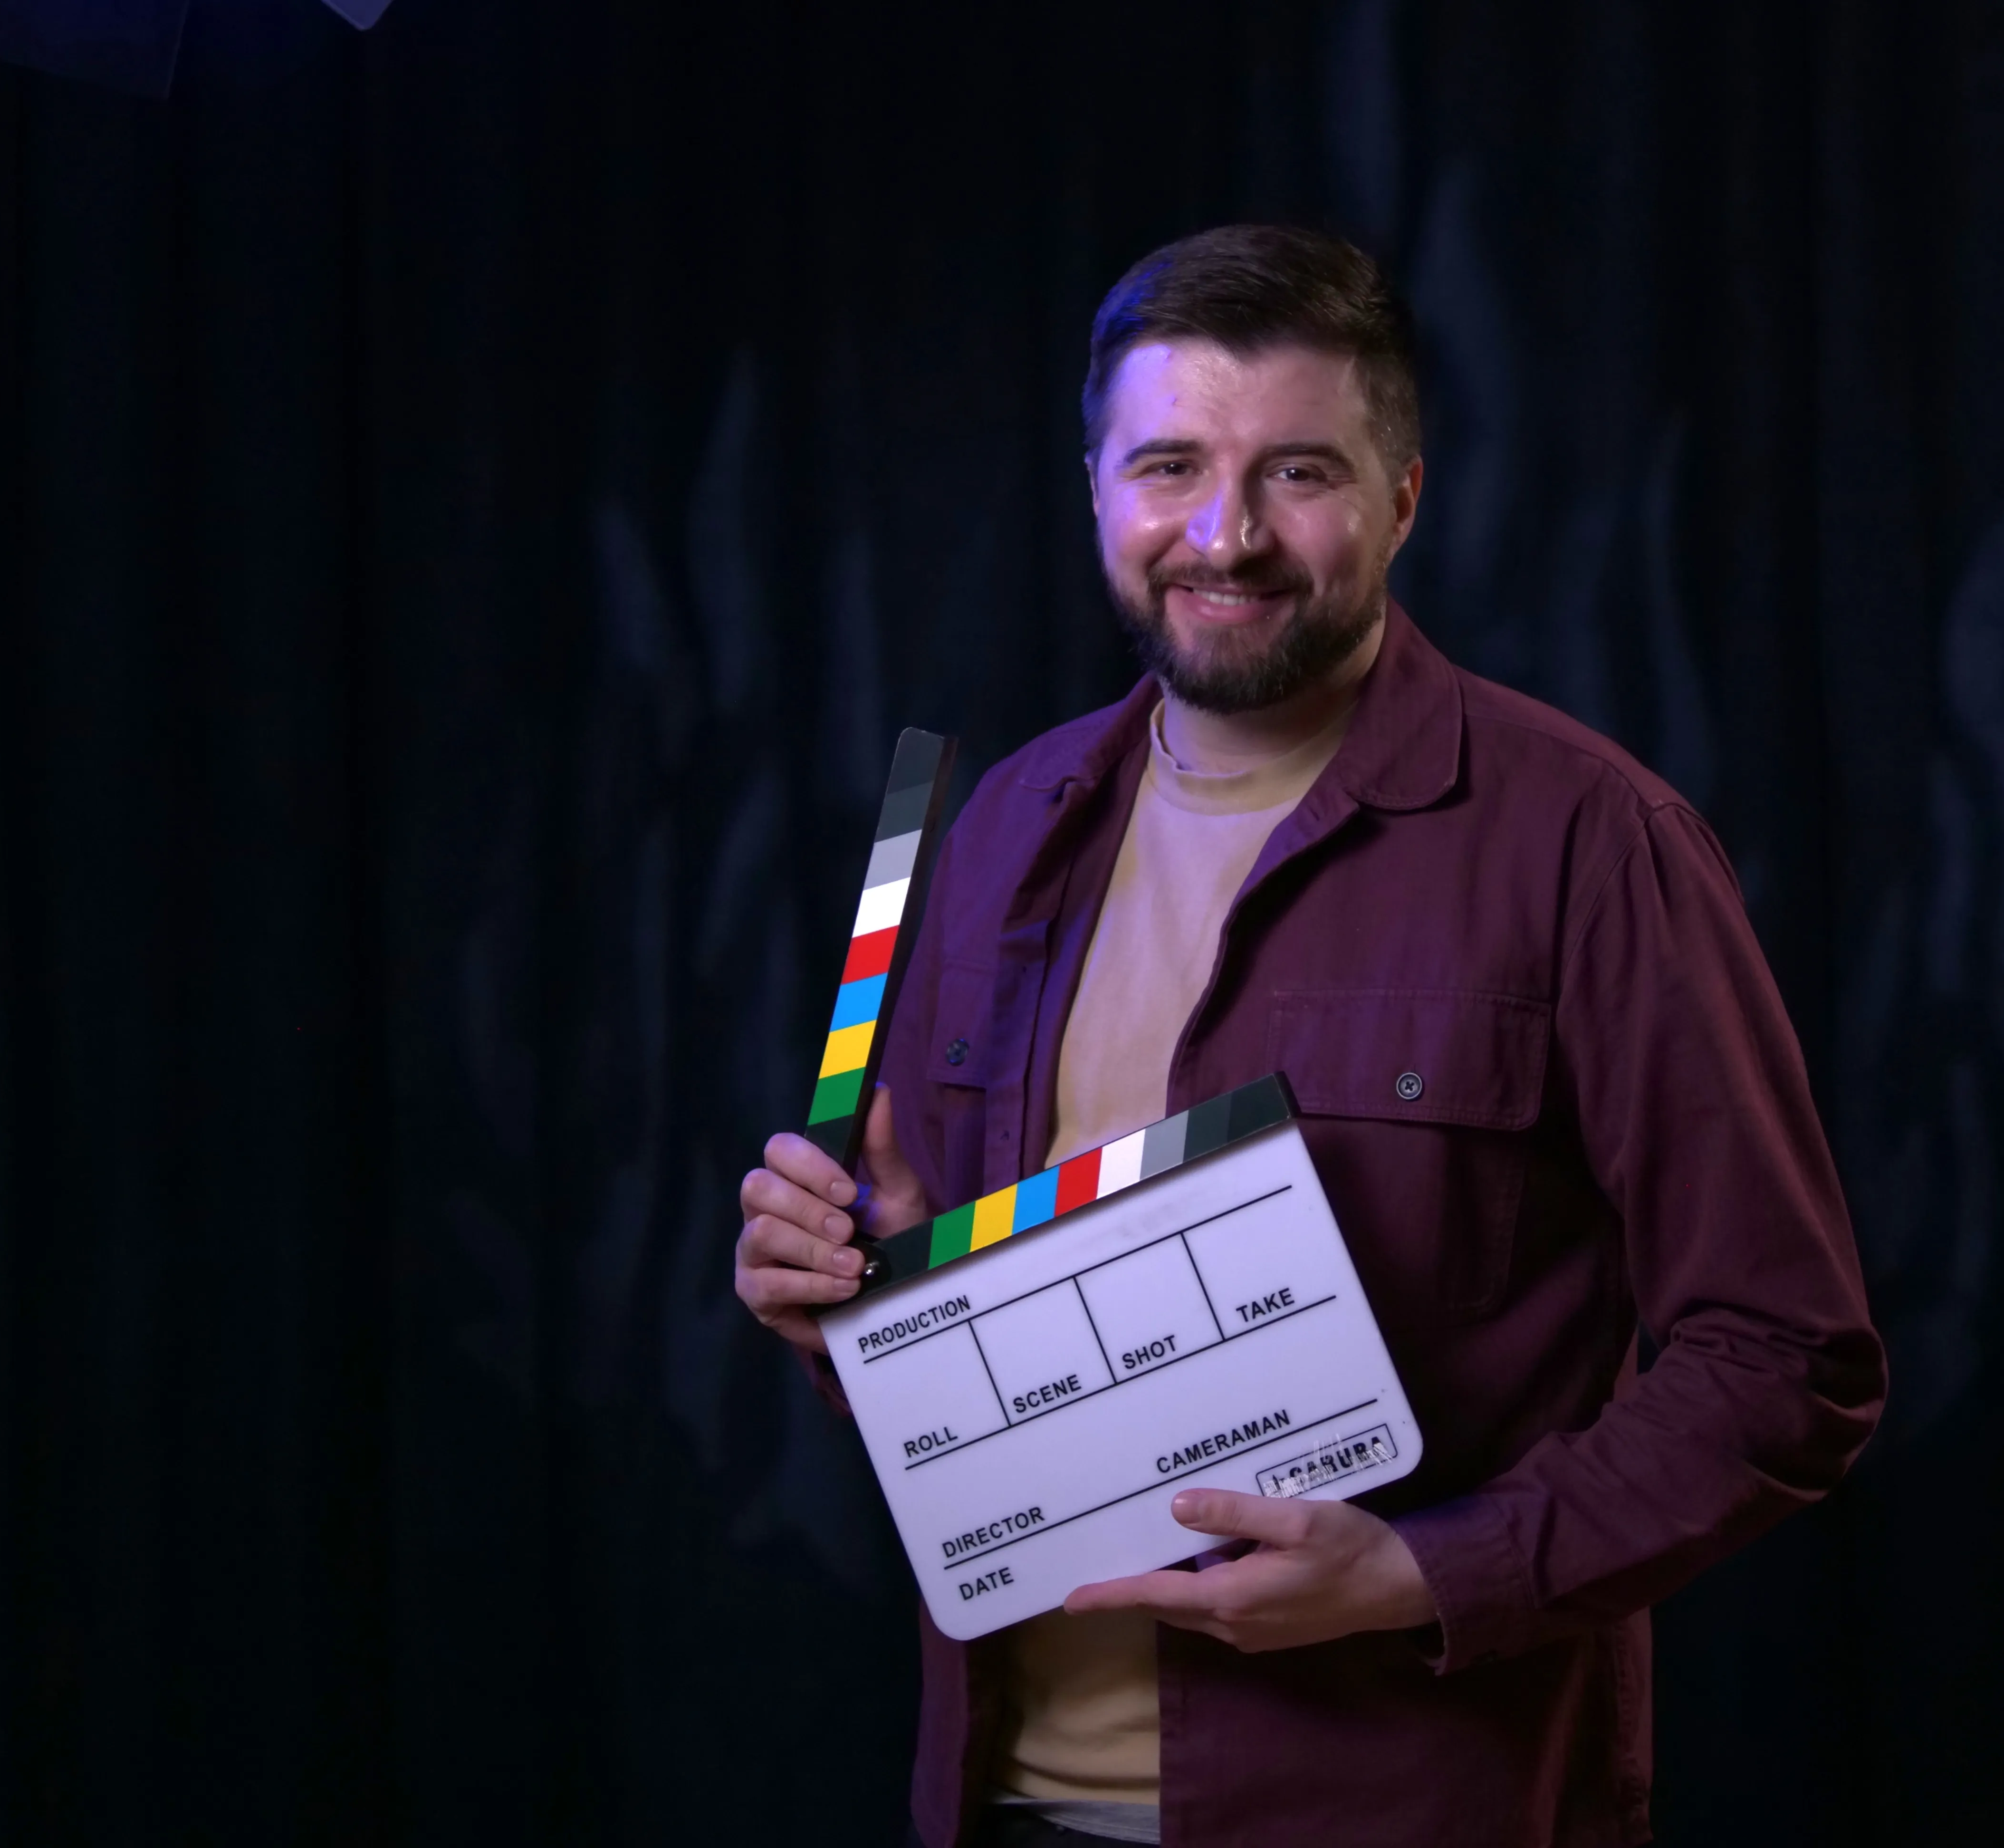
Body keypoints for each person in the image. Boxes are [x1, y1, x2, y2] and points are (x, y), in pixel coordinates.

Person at [735, 225, 1886, 1848]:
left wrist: (1425, 1570)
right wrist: (847, 1305)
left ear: (1402, 499)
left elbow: (1788, 1362)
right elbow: (957, 1355)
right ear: (1095, 488)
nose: (1227, 535)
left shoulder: (1590, 844)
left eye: (1299, 472)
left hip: (1407, 1803)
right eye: (1170, 467)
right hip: (1003, 1800)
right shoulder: (999, 829)